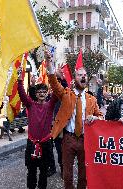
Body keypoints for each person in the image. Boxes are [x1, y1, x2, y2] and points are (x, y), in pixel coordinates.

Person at [45, 50, 103, 189]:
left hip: (86, 140)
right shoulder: (66, 94)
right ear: (74, 78)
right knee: (68, 174)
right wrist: (49, 63)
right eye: (79, 75)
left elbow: (101, 116)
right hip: (68, 139)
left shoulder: (92, 99)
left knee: (84, 175)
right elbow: (53, 83)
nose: (83, 77)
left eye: (85, 75)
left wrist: (95, 117)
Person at [17, 67, 58, 189]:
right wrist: (20, 80)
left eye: (43, 92)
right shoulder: (30, 105)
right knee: (31, 172)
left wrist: (55, 76)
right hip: (31, 144)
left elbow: (57, 91)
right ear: (36, 94)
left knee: (44, 172)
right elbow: (22, 94)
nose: (41, 93)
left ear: (47, 94)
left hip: (46, 144)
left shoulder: (50, 105)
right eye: (39, 92)